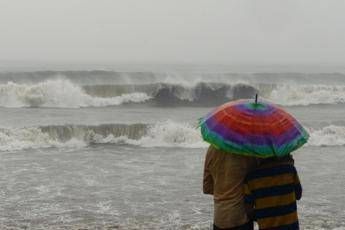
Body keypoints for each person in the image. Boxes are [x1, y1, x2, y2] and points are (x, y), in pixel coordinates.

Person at [203, 145, 257, 230]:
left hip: (219, 218)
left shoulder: (211, 150)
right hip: (241, 217)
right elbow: (254, 183)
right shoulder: (245, 150)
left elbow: (207, 187)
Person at [243, 155, 302, 230]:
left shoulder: (250, 177)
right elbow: (298, 195)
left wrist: (263, 217)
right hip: (291, 226)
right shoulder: (289, 169)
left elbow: (248, 210)